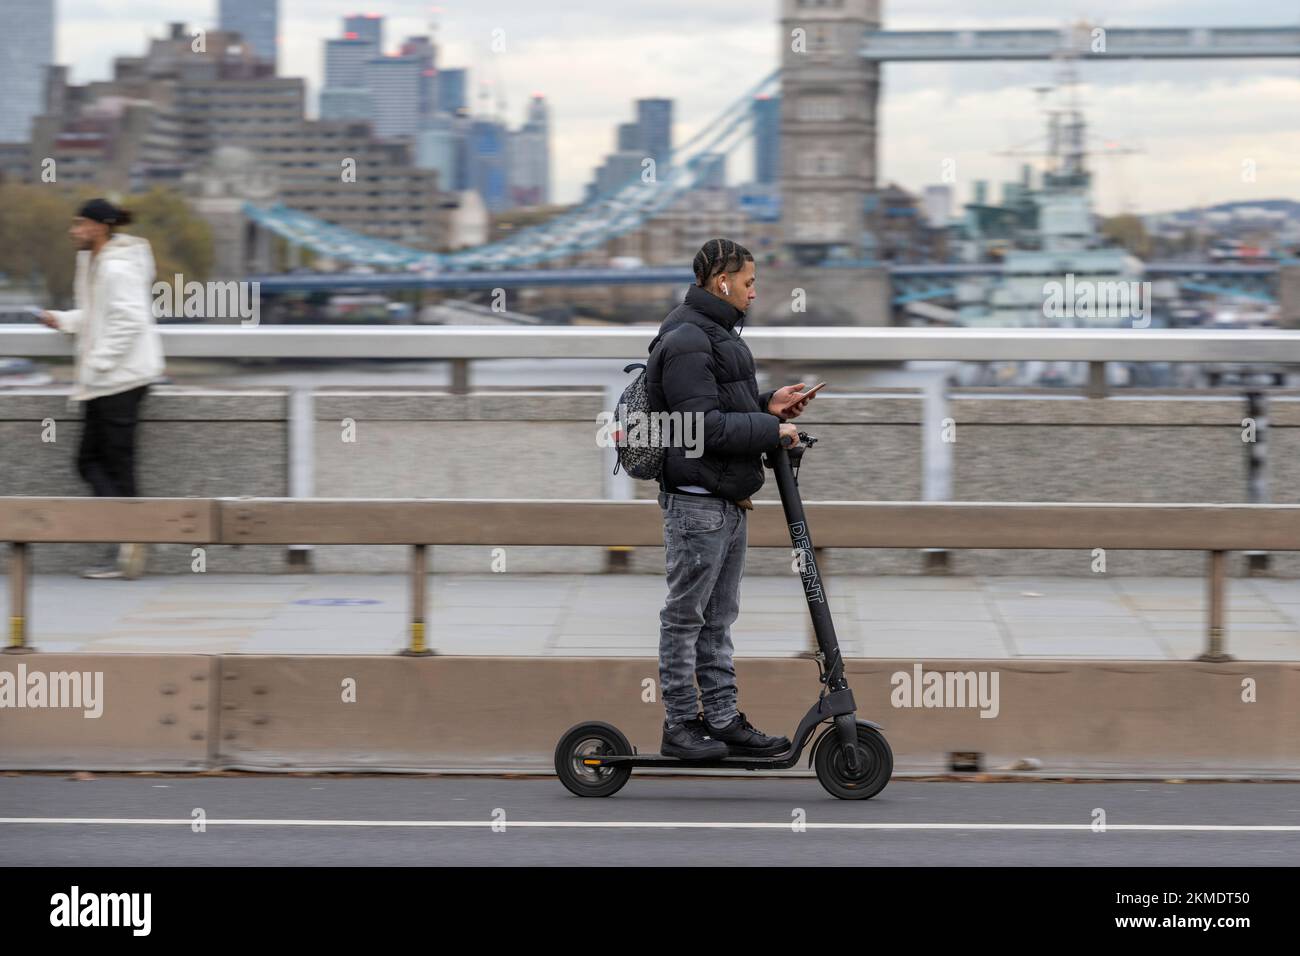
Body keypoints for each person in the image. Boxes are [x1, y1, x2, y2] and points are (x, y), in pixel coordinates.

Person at [645, 238, 816, 760]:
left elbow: (724, 406)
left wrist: (770, 406)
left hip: (725, 499)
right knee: (686, 617)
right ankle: (681, 725)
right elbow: (701, 426)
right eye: (748, 283)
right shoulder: (688, 339)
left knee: (718, 619)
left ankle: (720, 718)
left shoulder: (715, 335)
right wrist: (770, 431)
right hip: (698, 503)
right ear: (721, 281)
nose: (755, 293)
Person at [39, 198, 164, 579]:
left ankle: (129, 544)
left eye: (79, 224)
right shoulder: (96, 263)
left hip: (119, 381)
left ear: (99, 227)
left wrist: (98, 362)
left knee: (110, 466)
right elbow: (99, 316)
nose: (73, 231)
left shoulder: (116, 267)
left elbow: (131, 320)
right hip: (108, 381)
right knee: (97, 463)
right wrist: (63, 321)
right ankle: (128, 542)